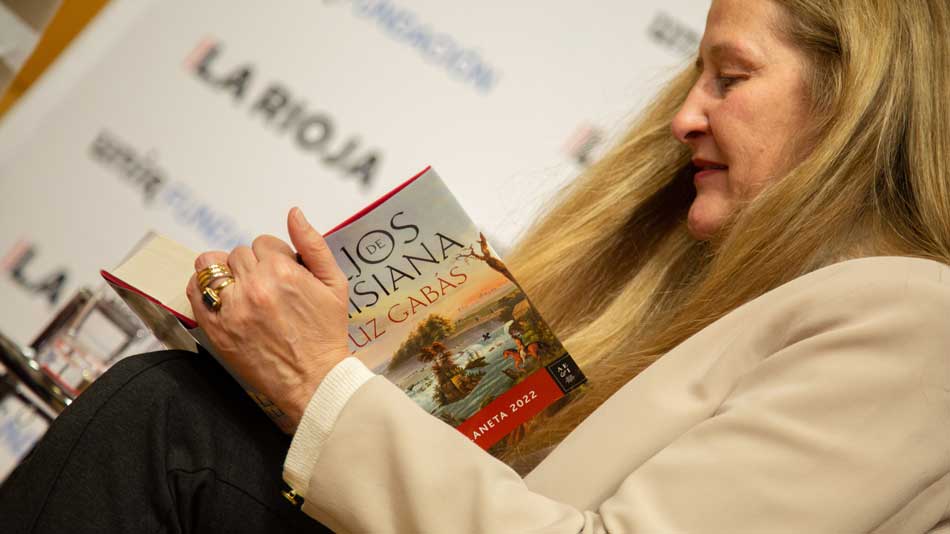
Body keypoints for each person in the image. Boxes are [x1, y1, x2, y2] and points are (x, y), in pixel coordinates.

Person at [2, 0, 949, 532]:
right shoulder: (786, 296)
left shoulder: (918, 320)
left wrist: (315, 383)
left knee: (168, 425)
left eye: (729, 78)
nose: (684, 119)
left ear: (854, 99)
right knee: (180, 410)